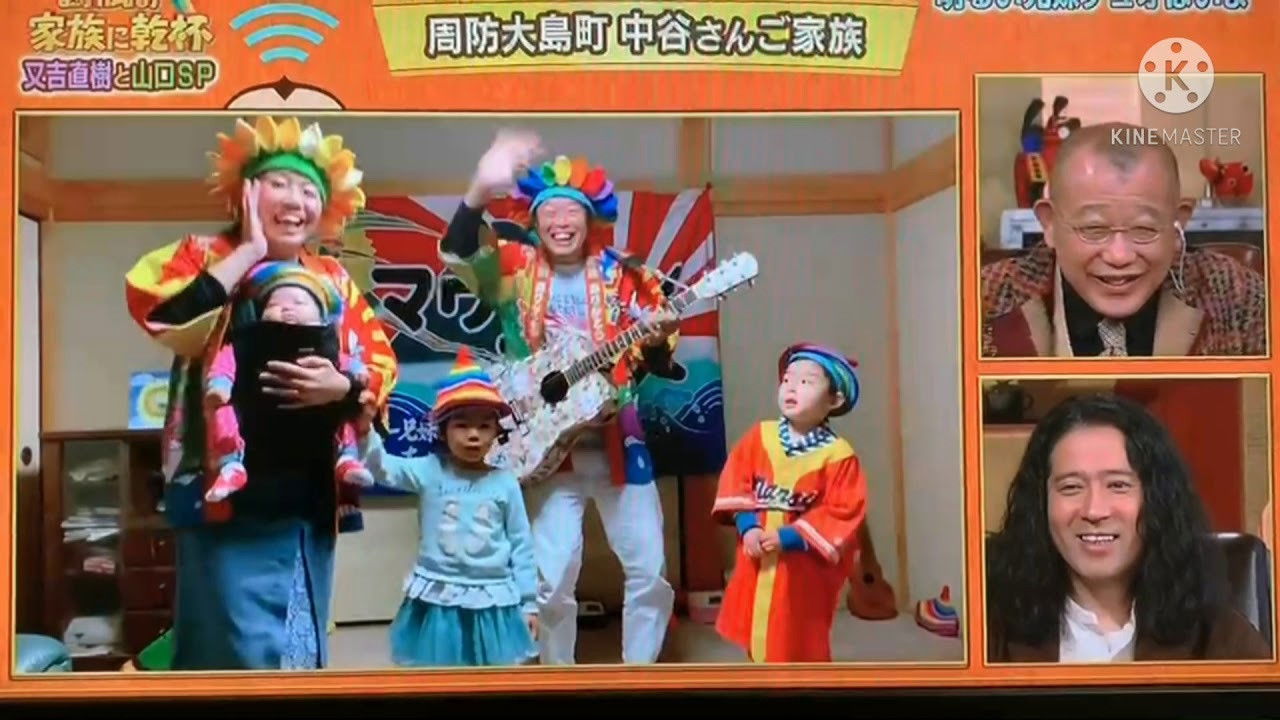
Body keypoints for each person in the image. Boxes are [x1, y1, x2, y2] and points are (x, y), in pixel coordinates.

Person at [123, 116, 398, 670]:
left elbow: (378, 361)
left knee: (300, 635)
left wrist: (343, 386)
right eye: (279, 183)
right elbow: (162, 315)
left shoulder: (333, 278)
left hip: (308, 491)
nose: (295, 200)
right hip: (224, 488)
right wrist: (247, 253)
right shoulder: (203, 255)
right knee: (228, 642)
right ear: (246, 193)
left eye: (308, 190)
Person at [439, 130, 678, 665]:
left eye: (572, 210)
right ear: (534, 220)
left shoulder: (624, 275)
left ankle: (639, 675)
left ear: (591, 220)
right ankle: (558, 677)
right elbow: (460, 251)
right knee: (549, 581)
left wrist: (656, 339)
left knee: (649, 571)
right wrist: (480, 188)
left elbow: (658, 353)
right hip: (544, 445)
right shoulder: (515, 269)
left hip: (620, 442)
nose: (561, 221)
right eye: (550, 211)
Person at [986, 393, 1271, 663]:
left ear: (1156, 499)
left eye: (1118, 485)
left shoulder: (1222, 640)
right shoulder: (986, 631)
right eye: (1071, 487)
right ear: (1040, 503)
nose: (1094, 510)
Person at [981, 122, 1265, 357]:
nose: (1119, 256)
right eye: (1094, 229)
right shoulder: (986, 299)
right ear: (1050, 224)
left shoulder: (1236, 296)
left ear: (1178, 222)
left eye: (1144, 230)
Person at [356, 347, 537, 667]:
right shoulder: (429, 470)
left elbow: (522, 545)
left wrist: (529, 603)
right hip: (439, 596)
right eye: (462, 426)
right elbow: (382, 468)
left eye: (484, 427)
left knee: (490, 675)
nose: (473, 435)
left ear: (497, 432)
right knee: (440, 672)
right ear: (443, 430)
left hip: (492, 598)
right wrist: (365, 429)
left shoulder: (505, 483)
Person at [711, 343, 869, 663]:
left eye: (807, 381)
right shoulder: (760, 436)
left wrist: (790, 537)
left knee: (796, 633)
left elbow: (842, 510)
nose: (792, 387)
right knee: (757, 627)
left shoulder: (839, 455)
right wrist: (748, 527)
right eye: (787, 380)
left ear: (834, 400)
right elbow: (737, 481)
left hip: (802, 565)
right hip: (757, 549)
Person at [204, 261, 374, 503]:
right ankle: (230, 464)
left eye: (299, 303)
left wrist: (350, 381)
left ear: (322, 317)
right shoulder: (246, 342)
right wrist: (219, 385)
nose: (286, 308)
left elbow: (351, 366)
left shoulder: (331, 346)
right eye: (273, 304)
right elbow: (225, 362)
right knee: (224, 412)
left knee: (345, 418)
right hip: (257, 442)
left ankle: (347, 456)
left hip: (316, 462)